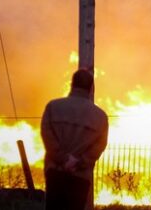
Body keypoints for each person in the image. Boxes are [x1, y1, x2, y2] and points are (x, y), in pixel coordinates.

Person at [41, 69, 109, 210]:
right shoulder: (101, 117)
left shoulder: (53, 107)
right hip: (80, 176)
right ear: (91, 88)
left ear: (71, 84)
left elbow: (47, 136)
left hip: (55, 172)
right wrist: (79, 162)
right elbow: (99, 146)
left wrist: (63, 159)